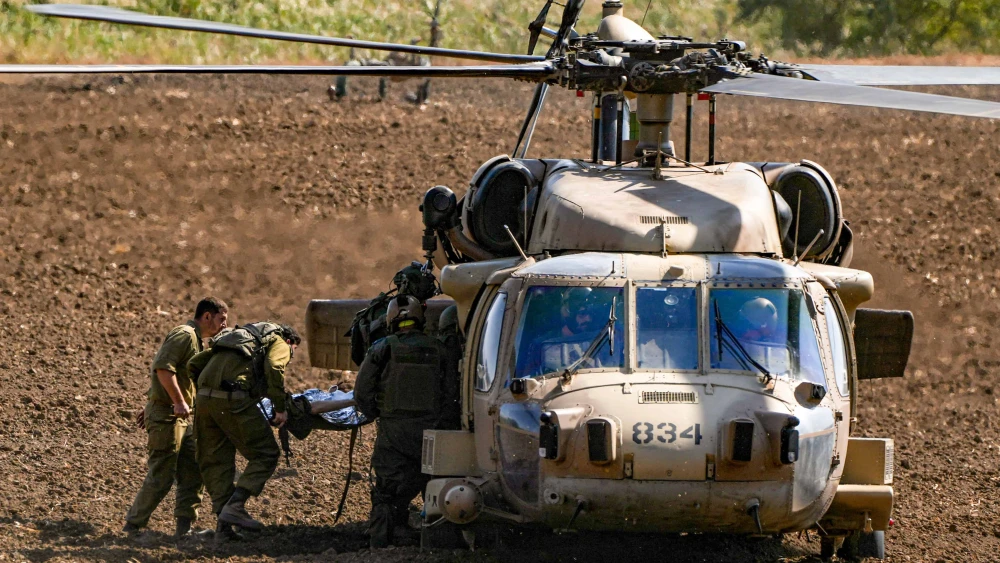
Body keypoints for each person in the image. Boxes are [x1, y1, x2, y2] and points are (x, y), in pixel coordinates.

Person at [355, 295, 459, 548]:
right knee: (435, 486)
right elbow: (452, 393)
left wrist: (378, 414)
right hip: (432, 431)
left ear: (391, 320)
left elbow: (362, 393)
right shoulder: (440, 349)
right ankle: (436, 545)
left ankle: (379, 546)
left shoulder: (382, 347)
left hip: (394, 431)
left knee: (387, 491)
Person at [123, 297, 229, 537]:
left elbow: (175, 376)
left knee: (193, 469)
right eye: (221, 319)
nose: (224, 325)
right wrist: (175, 402)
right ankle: (133, 526)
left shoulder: (197, 341)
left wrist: (153, 402)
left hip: (180, 417)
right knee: (162, 473)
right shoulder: (184, 335)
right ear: (207, 316)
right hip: (170, 416)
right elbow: (163, 368)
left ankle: (185, 528)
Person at [188, 322, 301, 540]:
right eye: (292, 352)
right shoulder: (280, 342)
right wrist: (279, 408)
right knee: (266, 454)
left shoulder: (236, 340)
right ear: (290, 342)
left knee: (216, 461)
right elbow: (275, 366)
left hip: (204, 400)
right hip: (233, 400)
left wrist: (206, 394)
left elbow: (194, 364)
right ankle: (236, 505)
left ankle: (223, 528)